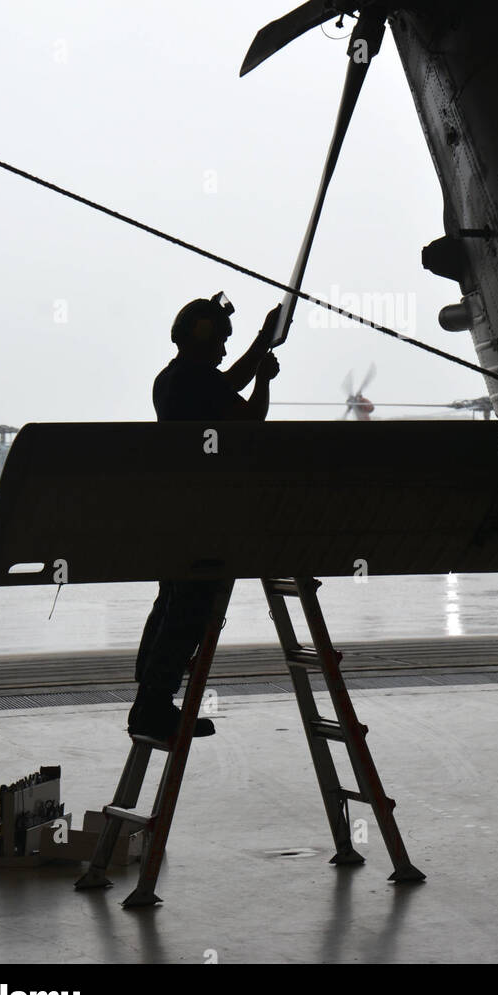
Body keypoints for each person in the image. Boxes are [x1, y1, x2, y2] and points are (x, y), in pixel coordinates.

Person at [127, 292, 281, 741]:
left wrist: (261, 342)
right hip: (198, 517)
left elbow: (227, 380)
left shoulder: (173, 379)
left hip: (172, 515)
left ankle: (148, 703)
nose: (224, 350)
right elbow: (250, 418)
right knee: (189, 610)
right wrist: (266, 375)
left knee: (170, 605)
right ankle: (155, 707)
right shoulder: (197, 382)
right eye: (222, 341)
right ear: (203, 337)